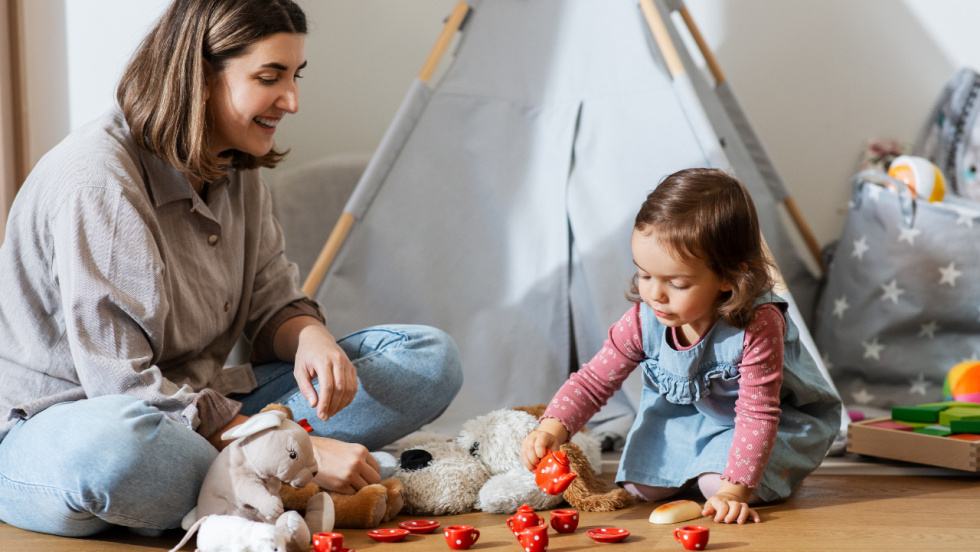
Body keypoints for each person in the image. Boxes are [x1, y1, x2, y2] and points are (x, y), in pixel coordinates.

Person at [0, 0, 462, 537]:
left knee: (429, 361)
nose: (291, 100)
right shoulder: (99, 182)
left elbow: (271, 300)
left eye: (295, 76)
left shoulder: (234, 163)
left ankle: (257, 486)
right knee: (118, 457)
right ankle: (294, 479)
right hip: (84, 429)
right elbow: (123, 388)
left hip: (205, 408)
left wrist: (310, 335)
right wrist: (274, 444)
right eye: (270, 77)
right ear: (199, 76)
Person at [521, 168, 841, 524]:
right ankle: (701, 462)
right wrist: (552, 427)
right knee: (643, 487)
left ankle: (734, 472)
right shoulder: (644, 319)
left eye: (676, 283)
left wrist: (734, 491)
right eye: (644, 275)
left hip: (766, 423)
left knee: (715, 486)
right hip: (690, 418)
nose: (654, 295)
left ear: (728, 277)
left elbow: (758, 413)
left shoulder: (758, 324)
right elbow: (594, 380)